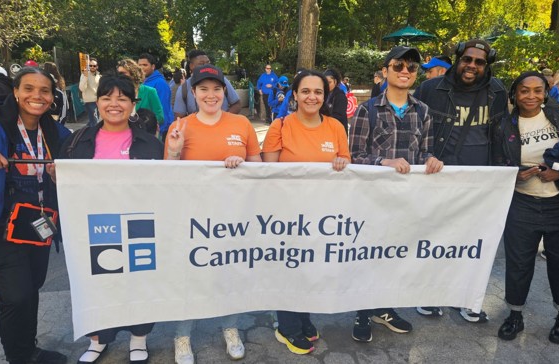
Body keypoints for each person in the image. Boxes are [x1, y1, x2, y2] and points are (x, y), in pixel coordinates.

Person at [0, 67, 71, 364]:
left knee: (31, 288)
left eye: (44, 91)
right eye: (29, 89)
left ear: (52, 97)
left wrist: (64, 175)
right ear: (16, 92)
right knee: (17, 295)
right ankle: (19, 357)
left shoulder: (53, 130)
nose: (37, 96)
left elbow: (78, 160)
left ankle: (28, 348)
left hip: (38, 222)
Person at [57, 75, 163, 364]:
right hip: (93, 226)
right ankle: (98, 339)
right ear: (97, 102)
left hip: (138, 224)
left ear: (132, 104)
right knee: (96, 282)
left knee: (140, 281)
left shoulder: (149, 144)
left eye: (122, 99)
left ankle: (138, 338)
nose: (114, 104)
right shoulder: (77, 141)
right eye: (107, 98)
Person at [166, 64, 261, 364]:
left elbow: (260, 169)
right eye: (203, 89)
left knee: (229, 273)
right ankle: (182, 335)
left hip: (233, 217)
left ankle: (230, 328)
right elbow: (167, 176)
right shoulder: (180, 126)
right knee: (189, 277)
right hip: (192, 217)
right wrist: (173, 151)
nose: (211, 95)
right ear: (193, 93)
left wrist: (243, 163)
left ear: (224, 92)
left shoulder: (241, 125)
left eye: (216, 88)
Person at [349, 46, 443, 343]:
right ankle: (362, 311)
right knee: (367, 255)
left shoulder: (423, 111)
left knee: (394, 255)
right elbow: (354, 156)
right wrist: (384, 162)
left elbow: (425, 149)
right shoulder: (368, 109)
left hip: (406, 199)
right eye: (399, 65)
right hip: (372, 198)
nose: (405, 71)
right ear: (385, 70)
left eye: (412, 67)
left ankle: (384, 308)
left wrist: (432, 159)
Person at [492, 71, 559, 344]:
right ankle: (515, 315)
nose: (531, 96)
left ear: (545, 93)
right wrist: (514, 173)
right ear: (515, 93)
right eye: (524, 90)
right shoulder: (502, 125)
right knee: (518, 263)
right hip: (521, 204)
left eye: (537, 90)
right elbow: (494, 163)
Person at [413, 39, 508, 322]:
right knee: (435, 238)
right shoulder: (432, 88)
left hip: (480, 183)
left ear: (486, 64)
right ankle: (429, 296)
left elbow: (501, 135)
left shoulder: (497, 91)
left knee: (474, 242)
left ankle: (468, 297)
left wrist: (502, 175)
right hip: (438, 177)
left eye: (479, 62)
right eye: (468, 59)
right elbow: (416, 128)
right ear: (458, 59)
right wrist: (424, 158)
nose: (472, 66)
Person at [263, 69, 350, 354]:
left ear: (325, 96)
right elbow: (269, 174)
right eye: (306, 91)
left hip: (322, 214)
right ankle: (287, 328)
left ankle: (303, 317)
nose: (312, 97)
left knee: (311, 268)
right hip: (286, 215)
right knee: (288, 268)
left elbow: (347, 163)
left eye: (318, 92)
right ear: (295, 94)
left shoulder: (336, 127)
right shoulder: (280, 126)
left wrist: (340, 162)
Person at [173, 50, 241, 119]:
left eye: (217, 89)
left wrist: (222, 121)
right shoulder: (184, 88)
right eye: (201, 64)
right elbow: (179, 117)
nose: (206, 66)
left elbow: (236, 104)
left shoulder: (222, 80)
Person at [117, 58, 165, 133]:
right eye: (118, 74)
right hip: (123, 135)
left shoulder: (150, 91)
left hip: (145, 136)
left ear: (133, 74)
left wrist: (146, 123)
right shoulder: (117, 93)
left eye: (123, 73)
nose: (119, 76)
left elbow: (160, 116)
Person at [138, 53, 175, 136]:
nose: (141, 68)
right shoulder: (141, 82)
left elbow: (163, 109)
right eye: (139, 65)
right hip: (144, 129)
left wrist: (158, 132)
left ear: (153, 66)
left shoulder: (160, 83)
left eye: (145, 65)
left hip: (158, 130)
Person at [323, 68, 349, 133]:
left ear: (336, 81)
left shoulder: (340, 96)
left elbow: (339, 116)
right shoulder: (323, 94)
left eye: (329, 82)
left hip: (337, 130)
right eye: (324, 82)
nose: (326, 85)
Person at [79, 58, 101, 127]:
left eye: (94, 66)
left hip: (98, 101)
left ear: (97, 67)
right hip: (89, 101)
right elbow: (82, 88)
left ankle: (84, 132)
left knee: (93, 120)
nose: (92, 67)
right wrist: (85, 77)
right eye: (90, 65)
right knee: (95, 121)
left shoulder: (98, 75)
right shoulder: (84, 75)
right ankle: (94, 136)